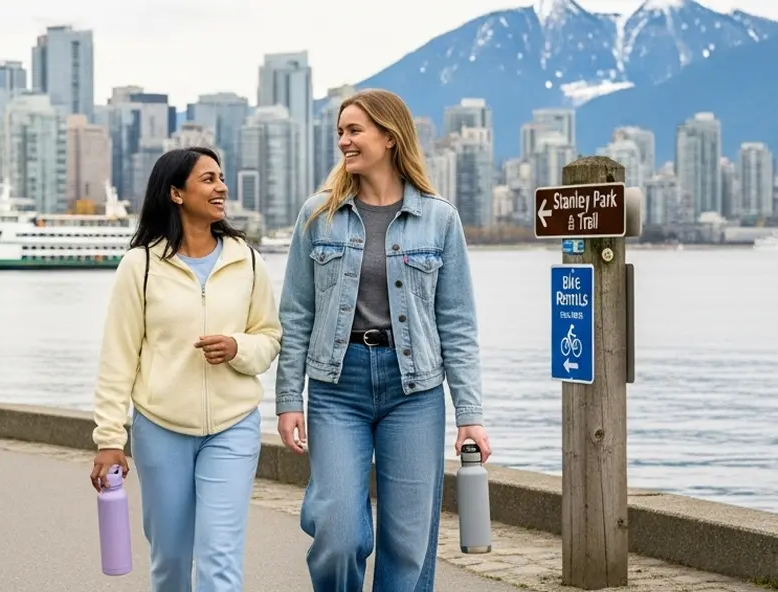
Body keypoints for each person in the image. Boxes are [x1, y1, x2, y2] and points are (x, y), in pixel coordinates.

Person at [274, 89, 493, 592]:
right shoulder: (318, 215)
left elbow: (458, 325)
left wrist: (471, 416)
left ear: (389, 138)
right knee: (339, 532)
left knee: (408, 542)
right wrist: (289, 401)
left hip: (414, 390)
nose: (343, 141)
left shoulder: (439, 219)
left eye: (354, 131)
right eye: (340, 133)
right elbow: (297, 314)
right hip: (336, 386)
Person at [89, 146, 283, 591]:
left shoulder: (247, 261)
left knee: (220, 556)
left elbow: (270, 338)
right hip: (161, 429)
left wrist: (237, 347)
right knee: (171, 559)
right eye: (209, 179)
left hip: (233, 428)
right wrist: (109, 439)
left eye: (221, 177)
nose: (222, 187)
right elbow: (117, 358)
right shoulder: (139, 266)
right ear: (176, 193)